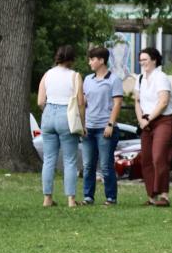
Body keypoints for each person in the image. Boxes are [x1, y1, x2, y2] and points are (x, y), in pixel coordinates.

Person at [38, 45, 84, 208]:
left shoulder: (48, 74)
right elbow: (80, 103)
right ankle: (71, 199)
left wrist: (49, 112)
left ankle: (47, 198)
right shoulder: (75, 76)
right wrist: (82, 125)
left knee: (49, 159)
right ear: (71, 59)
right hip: (67, 115)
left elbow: (40, 101)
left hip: (49, 113)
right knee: (70, 160)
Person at [134, 47, 172, 207]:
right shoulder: (140, 78)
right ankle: (152, 195)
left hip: (163, 120)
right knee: (146, 159)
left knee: (159, 157)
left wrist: (149, 118)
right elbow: (137, 101)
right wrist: (141, 120)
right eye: (140, 60)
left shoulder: (161, 77)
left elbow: (163, 101)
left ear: (154, 60)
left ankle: (164, 195)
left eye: (145, 59)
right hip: (146, 122)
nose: (142, 63)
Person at [81, 46, 123, 205]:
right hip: (88, 128)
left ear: (101, 61)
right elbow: (84, 103)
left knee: (105, 165)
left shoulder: (114, 80)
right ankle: (88, 196)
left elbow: (117, 103)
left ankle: (111, 198)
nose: (90, 62)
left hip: (105, 128)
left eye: (92, 59)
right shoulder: (87, 80)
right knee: (88, 165)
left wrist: (110, 124)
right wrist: (82, 124)